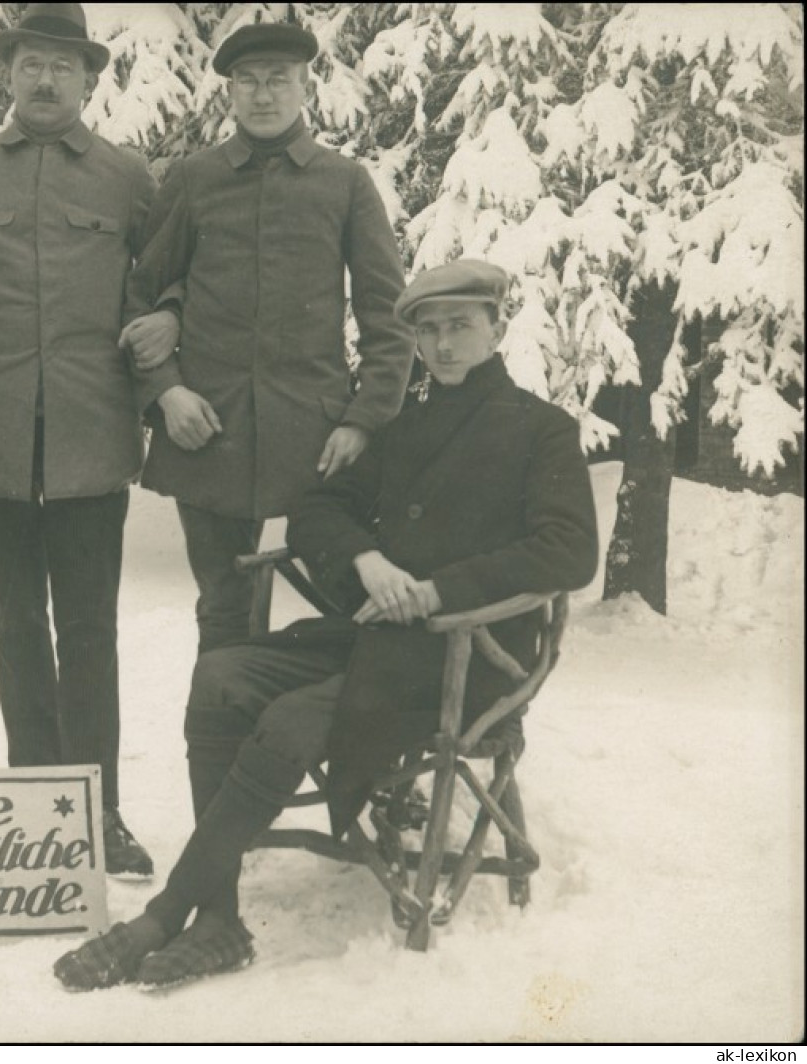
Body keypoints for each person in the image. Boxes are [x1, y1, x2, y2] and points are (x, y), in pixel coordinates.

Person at [53, 260, 599, 991]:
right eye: (427, 331)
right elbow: (319, 510)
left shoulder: (542, 430)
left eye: (460, 327)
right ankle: (218, 921)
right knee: (220, 673)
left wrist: (436, 591)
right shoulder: (406, 428)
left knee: (289, 717)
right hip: (381, 642)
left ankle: (165, 914)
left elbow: (567, 551)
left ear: (496, 329)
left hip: (472, 655)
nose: (442, 345)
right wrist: (367, 560)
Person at [0, 3, 163, 878]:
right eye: (31, 62)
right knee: (14, 621)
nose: (45, 79)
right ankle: (38, 810)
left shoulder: (128, 177)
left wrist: (161, 331)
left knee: (90, 628)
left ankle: (96, 813)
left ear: (91, 79)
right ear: (8, 71)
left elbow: (162, 282)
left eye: (64, 65)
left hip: (88, 436)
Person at [123, 20, 414, 654]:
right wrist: (166, 393)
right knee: (225, 612)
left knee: (346, 602)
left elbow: (386, 315)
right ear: (228, 93)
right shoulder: (194, 179)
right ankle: (222, 752)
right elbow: (141, 296)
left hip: (319, 437)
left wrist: (364, 420)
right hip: (208, 432)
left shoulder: (344, 182)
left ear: (304, 87)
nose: (262, 95)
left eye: (277, 80)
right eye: (247, 82)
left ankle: (330, 745)